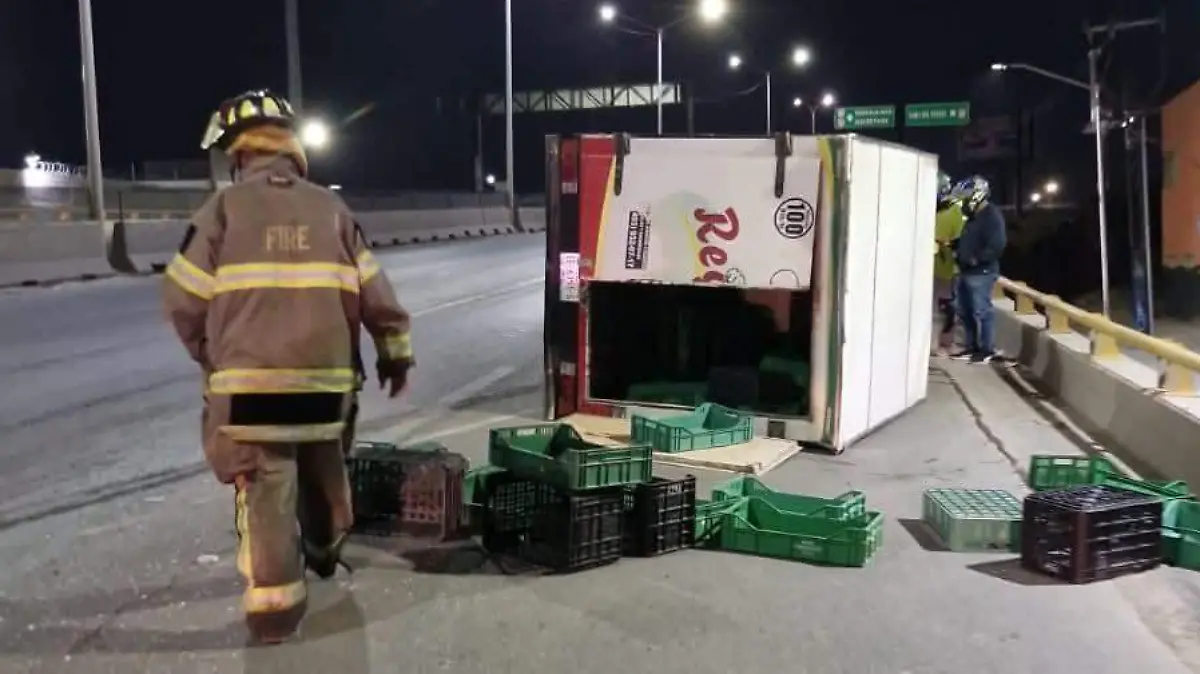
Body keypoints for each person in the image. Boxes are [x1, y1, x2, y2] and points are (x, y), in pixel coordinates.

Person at [162, 89, 414, 644]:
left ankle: (275, 609)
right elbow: (378, 296)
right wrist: (395, 355)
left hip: (250, 388)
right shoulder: (332, 209)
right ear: (292, 147)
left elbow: (181, 300)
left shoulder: (222, 210)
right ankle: (324, 551)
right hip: (327, 385)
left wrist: (210, 354)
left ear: (238, 152)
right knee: (324, 463)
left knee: (267, 484)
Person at [949, 175, 1007, 364]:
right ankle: (971, 346)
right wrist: (956, 246)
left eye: (966, 198)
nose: (963, 203)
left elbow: (997, 244)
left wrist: (977, 259)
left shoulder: (991, 216)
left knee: (982, 311)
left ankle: (987, 349)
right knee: (964, 311)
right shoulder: (974, 217)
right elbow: (970, 239)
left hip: (981, 272)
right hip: (965, 271)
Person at [933, 172, 965, 355]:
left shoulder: (955, 212)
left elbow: (961, 241)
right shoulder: (924, 208)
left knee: (947, 309)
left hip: (947, 269)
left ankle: (944, 344)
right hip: (928, 269)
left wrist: (943, 243)